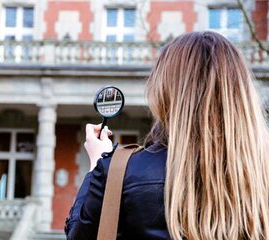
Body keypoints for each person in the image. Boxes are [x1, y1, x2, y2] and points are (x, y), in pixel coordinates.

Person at [64, 31, 269, 240]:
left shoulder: (119, 171)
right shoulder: (262, 173)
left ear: (164, 91)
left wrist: (98, 164)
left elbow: (78, 235)